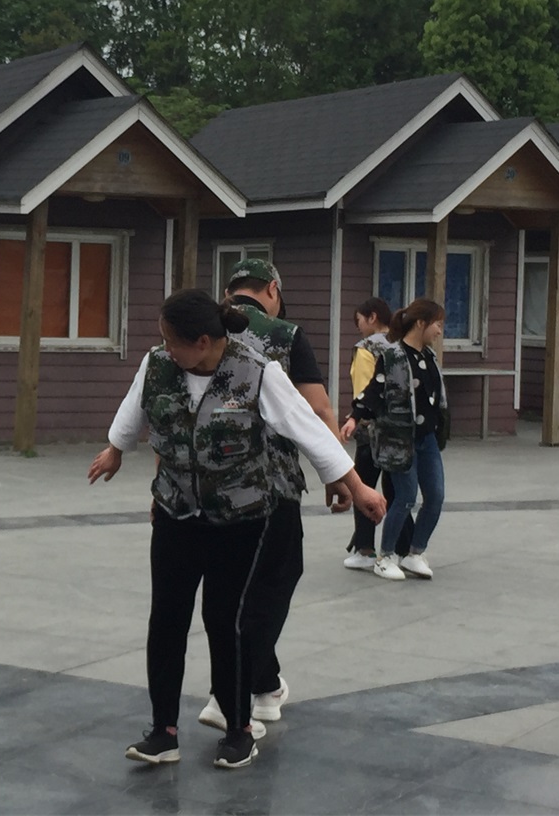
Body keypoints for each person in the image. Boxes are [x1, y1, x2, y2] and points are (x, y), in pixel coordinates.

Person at [88, 290, 385, 769]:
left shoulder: (257, 372)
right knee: (166, 619)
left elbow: (308, 429)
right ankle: (163, 731)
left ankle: (239, 730)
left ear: (203, 342)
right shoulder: (158, 364)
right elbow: (133, 410)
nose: (164, 348)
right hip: (176, 513)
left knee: (226, 621)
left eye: (172, 341)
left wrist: (356, 485)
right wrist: (116, 451)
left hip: (238, 520)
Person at [195, 258, 344, 737]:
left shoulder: (200, 330)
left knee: (230, 593)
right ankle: (227, 696)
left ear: (229, 292)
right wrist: (338, 474)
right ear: (273, 290)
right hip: (270, 485)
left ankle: (264, 686)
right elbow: (318, 408)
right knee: (272, 585)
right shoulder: (285, 335)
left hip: (206, 487)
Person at [340, 298, 449, 582]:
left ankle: (415, 553)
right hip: (398, 439)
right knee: (405, 497)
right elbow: (373, 391)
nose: (439, 331)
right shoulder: (393, 356)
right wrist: (354, 418)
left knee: (436, 496)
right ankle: (385, 556)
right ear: (421, 323)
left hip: (427, 439)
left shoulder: (430, 357)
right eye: (437, 324)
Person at [343, 297, 414, 571]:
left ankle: (365, 549)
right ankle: (405, 549)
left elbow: (365, 389)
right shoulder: (401, 345)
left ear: (372, 317)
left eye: (359, 321)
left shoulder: (366, 348)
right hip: (399, 431)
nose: (358, 327)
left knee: (364, 489)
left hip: (371, 432)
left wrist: (357, 418)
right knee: (397, 492)